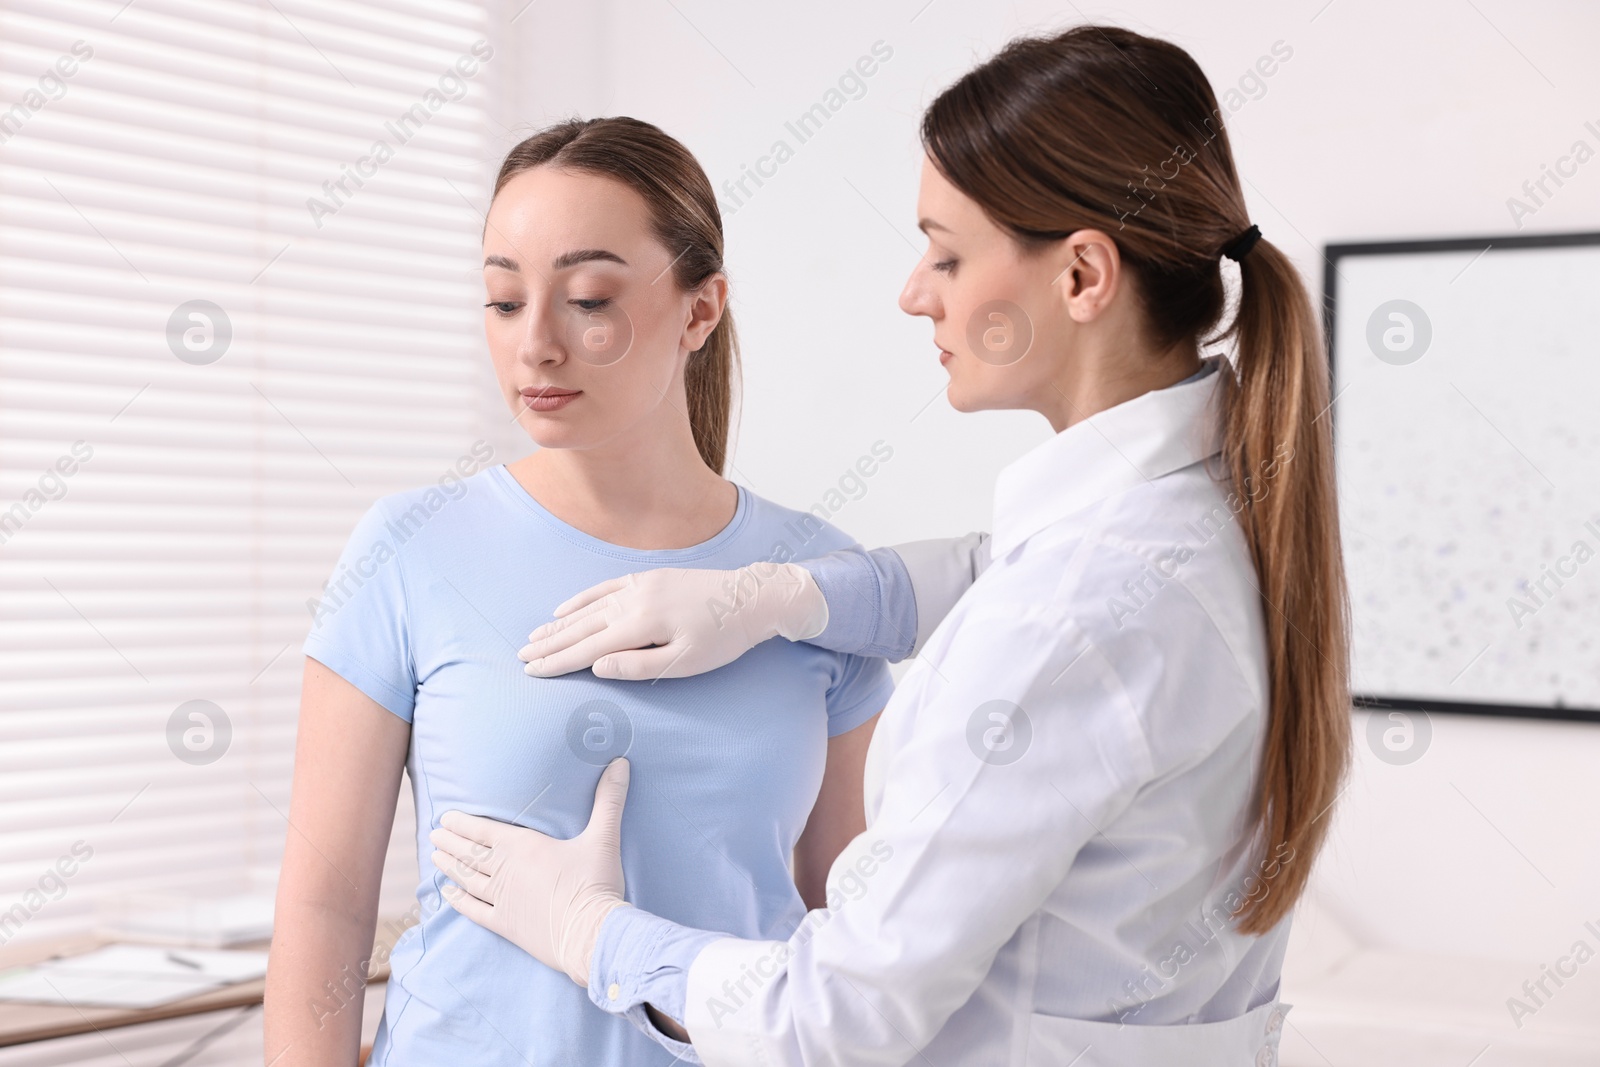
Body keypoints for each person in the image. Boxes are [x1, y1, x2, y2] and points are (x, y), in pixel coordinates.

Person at [429, 25, 1351, 1067]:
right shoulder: (1205, 521)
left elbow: (832, 1020)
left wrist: (591, 930)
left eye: (948, 253)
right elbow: (988, 570)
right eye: (503, 297)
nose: (916, 292)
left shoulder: (1071, 615)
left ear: (1083, 276)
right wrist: (779, 597)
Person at [263, 117, 920, 1066]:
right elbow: (325, 906)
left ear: (700, 311)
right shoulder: (411, 549)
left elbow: (839, 921)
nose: (535, 344)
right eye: (502, 299)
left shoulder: (813, 581)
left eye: (586, 298)